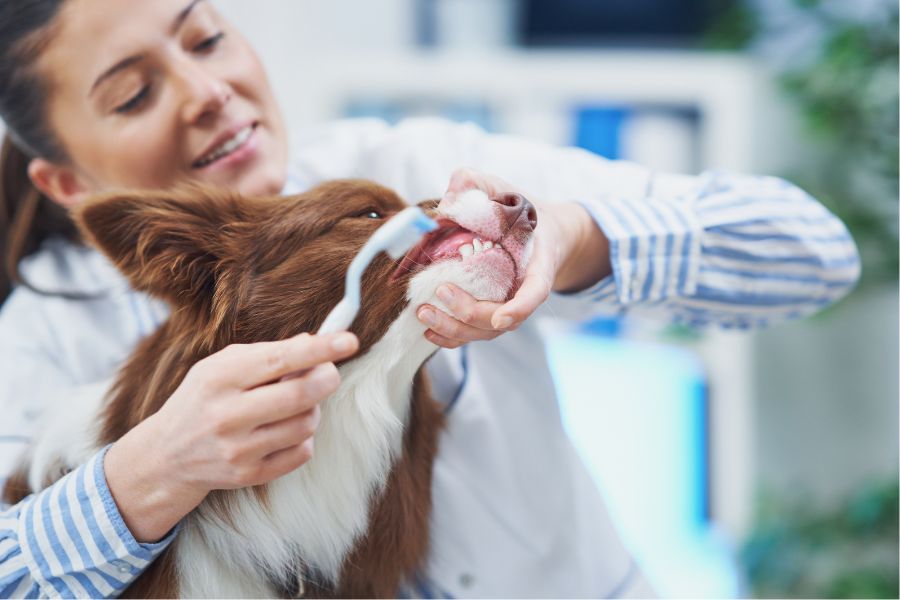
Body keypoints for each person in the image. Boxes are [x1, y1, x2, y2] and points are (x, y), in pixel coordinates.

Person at [0, 0, 861, 597]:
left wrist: (574, 243)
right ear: (65, 180)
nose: (205, 92)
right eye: (135, 94)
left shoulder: (427, 181)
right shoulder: (51, 339)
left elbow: (815, 253)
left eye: (207, 39)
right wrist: (146, 475)